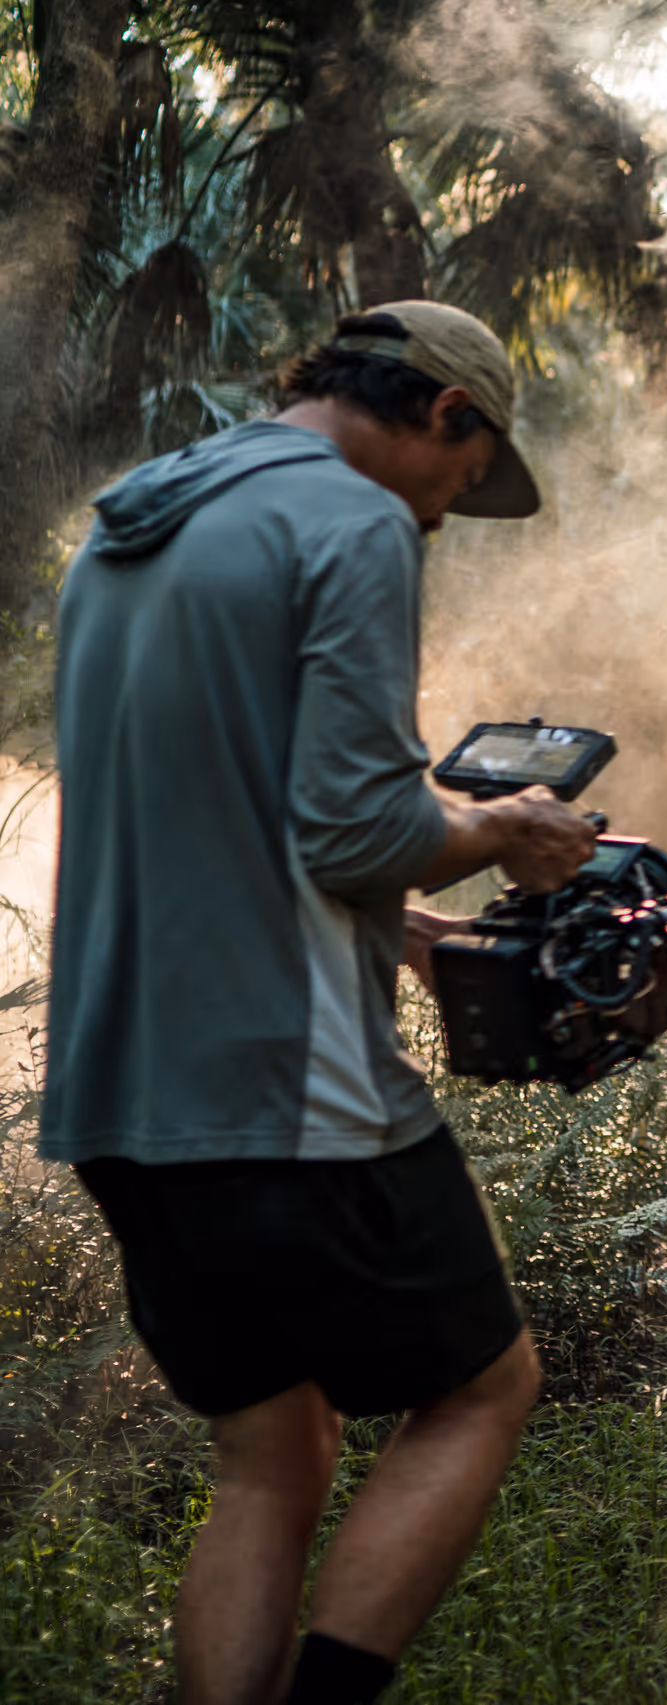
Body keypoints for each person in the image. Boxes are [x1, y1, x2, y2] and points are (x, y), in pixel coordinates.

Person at [41, 302, 599, 1705]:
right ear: (444, 417)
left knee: (273, 1443)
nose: (448, 515)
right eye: (465, 484)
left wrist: (389, 915)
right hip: (276, 1087)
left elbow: (211, 799)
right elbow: (355, 828)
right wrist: (503, 831)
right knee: (484, 1386)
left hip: (118, 1086)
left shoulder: (132, 533)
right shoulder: (352, 522)